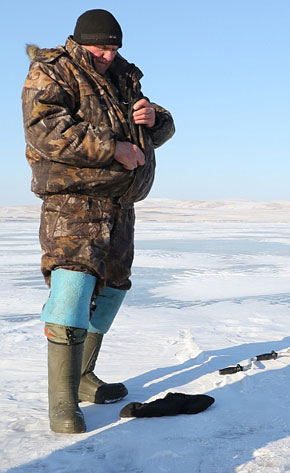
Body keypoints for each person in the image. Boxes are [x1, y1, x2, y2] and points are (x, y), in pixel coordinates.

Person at [22, 9, 175, 434]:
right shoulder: (52, 71)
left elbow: (162, 123)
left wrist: (153, 120)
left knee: (113, 287)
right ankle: (62, 400)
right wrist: (114, 149)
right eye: (101, 48)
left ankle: (84, 376)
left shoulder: (123, 77)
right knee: (72, 290)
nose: (108, 55)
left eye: (113, 48)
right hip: (73, 201)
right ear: (80, 41)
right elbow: (46, 129)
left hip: (120, 204)